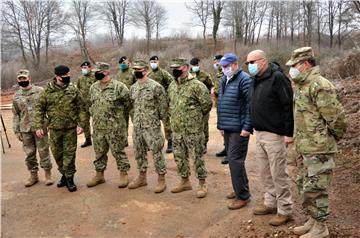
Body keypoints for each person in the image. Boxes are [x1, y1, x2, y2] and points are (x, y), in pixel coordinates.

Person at [286, 47, 346, 238]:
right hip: (304, 148)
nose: (291, 70)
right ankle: (312, 220)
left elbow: (337, 119)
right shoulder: (302, 85)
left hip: (319, 149)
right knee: (305, 186)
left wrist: (327, 139)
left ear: (304, 64)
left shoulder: (320, 85)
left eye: (294, 66)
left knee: (317, 189)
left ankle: (321, 227)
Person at [246, 50, 294, 226]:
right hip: (260, 133)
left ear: (263, 61)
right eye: (248, 63)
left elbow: (288, 105)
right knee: (265, 172)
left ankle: (285, 209)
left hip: (275, 134)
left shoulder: (278, 78)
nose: (249, 66)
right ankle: (271, 202)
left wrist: (289, 133)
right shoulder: (255, 79)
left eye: (252, 62)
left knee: (278, 173)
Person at [34, 65, 85, 192]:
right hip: (54, 129)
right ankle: (64, 173)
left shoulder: (73, 89)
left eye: (69, 75)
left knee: (70, 154)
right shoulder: (47, 91)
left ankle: (69, 178)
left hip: (70, 128)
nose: (68, 77)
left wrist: (81, 124)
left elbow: (81, 108)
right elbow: (39, 109)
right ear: (57, 77)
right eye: (65, 76)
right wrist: (38, 126)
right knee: (57, 154)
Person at [168, 58, 212, 198]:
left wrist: (195, 120)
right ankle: (185, 181)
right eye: (173, 67)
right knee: (180, 157)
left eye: (178, 67)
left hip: (193, 130)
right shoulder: (172, 86)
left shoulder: (197, 85)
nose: (175, 70)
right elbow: (171, 105)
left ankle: (202, 184)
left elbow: (206, 106)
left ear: (186, 68)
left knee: (197, 157)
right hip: (177, 130)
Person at [86, 62, 131, 189]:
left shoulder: (119, 87)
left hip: (115, 128)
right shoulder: (93, 87)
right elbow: (91, 105)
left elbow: (128, 105)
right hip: (98, 127)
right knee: (99, 153)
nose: (96, 73)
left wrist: (118, 120)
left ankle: (123, 173)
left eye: (99, 71)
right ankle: (99, 175)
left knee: (118, 151)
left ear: (106, 72)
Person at [217, 53, 252, 209]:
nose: (224, 69)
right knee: (235, 161)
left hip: (239, 129)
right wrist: (221, 125)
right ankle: (241, 188)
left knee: (235, 161)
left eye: (226, 66)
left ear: (235, 64)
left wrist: (247, 127)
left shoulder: (244, 79)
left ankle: (242, 196)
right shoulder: (224, 79)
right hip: (228, 127)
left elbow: (250, 106)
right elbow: (221, 102)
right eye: (222, 66)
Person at [128, 60, 168, 193]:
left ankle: (161, 179)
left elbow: (163, 109)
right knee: (139, 152)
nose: (136, 72)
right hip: (138, 126)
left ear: (145, 70)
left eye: (139, 69)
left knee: (157, 152)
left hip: (152, 127)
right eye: (134, 69)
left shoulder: (156, 87)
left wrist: (165, 126)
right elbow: (132, 107)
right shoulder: (133, 88)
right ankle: (142, 177)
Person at [12, 69, 53, 187]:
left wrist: (48, 124)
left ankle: (47, 174)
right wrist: (17, 130)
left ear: (29, 78)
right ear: (17, 80)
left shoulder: (40, 91)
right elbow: (16, 114)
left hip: (40, 127)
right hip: (25, 129)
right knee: (29, 153)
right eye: (20, 79)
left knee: (43, 151)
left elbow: (48, 108)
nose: (22, 81)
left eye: (24, 78)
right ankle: (33, 175)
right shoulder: (16, 96)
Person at [147, 55, 174, 153]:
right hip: (152, 103)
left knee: (167, 123)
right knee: (152, 124)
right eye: (151, 62)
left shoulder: (163, 73)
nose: (153, 63)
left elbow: (172, 84)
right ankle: (154, 142)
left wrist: (167, 96)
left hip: (163, 103)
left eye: (155, 62)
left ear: (158, 62)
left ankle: (170, 142)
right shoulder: (148, 74)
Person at [189, 57, 214, 154]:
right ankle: (193, 145)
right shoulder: (187, 75)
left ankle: (204, 145)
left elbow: (211, 85)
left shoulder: (204, 75)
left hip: (203, 104)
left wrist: (211, 91)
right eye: (194, 65)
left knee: (204, 125)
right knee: (191, 125)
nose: (196, 67)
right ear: (190, 65)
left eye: (197, 65)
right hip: (191, 105)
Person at [77, 61, 96, 148]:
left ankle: (97, 139)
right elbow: (78, 90)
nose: (84, 69)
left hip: (94, 104)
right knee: (84, 123)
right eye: (83, 68)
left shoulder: (95, 76)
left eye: (85, 68)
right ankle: (88, 139)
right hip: (84, 105)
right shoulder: (80, 79)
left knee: (96, 122)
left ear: (90, 68)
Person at [212, 55, 227, 162]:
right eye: (215, 61)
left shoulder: (226, 73)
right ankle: (226, 148)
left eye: (217, 61)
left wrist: (215, 91)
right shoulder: (218, 73)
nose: (216, 63)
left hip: (226, 105)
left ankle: (230, 153)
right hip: (219, 104)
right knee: (222, 129)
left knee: (227, 129)